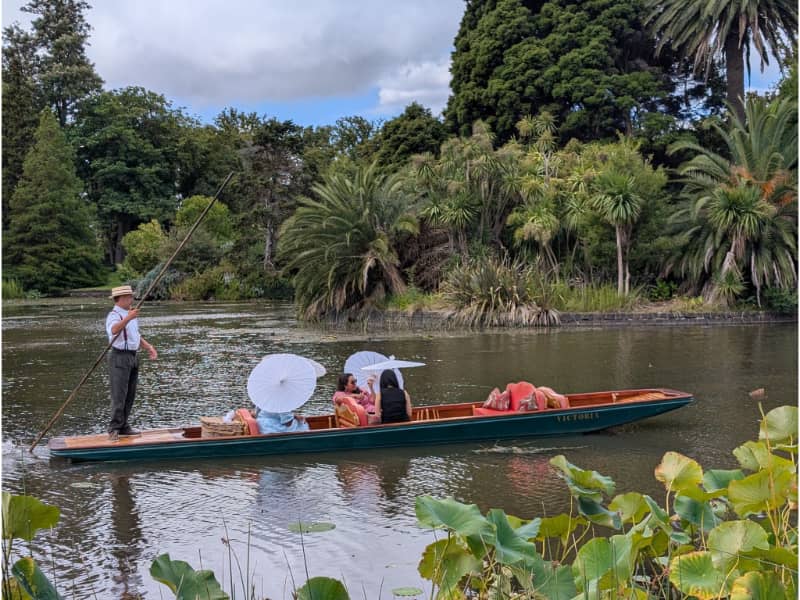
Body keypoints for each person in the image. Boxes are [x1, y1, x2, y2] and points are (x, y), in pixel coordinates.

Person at [106, 285, 157, 441]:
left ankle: (123, 426)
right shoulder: (114, 315)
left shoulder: (131, 314)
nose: (131, 299)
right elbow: (114, 330)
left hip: (133, 357)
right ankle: (114, 428)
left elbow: (135, 335)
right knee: (119, 394)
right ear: (120, 299)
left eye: (131, 296)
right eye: (128, 297)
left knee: (130, 394)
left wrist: (148, 347)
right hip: (119, 356)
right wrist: (129, 317)